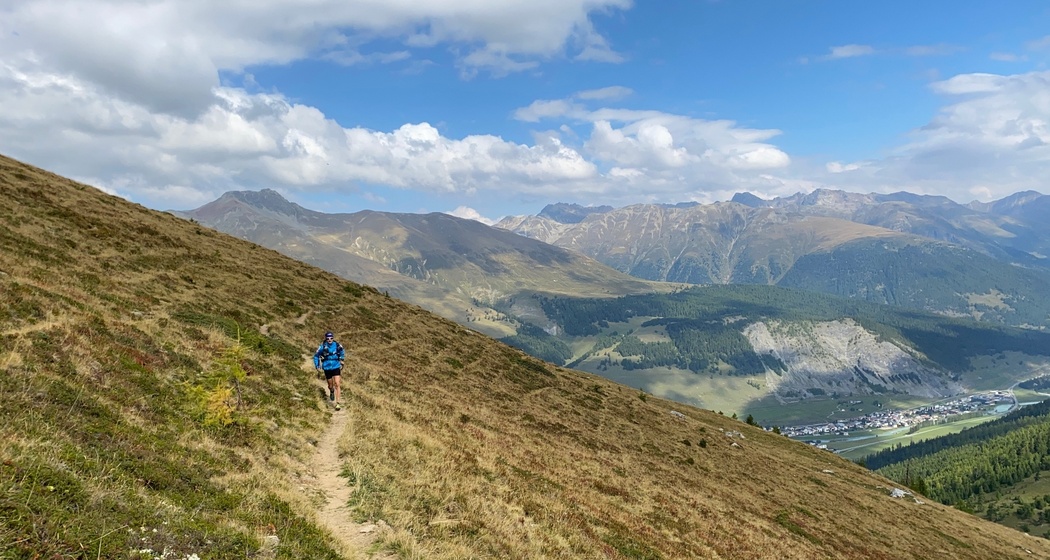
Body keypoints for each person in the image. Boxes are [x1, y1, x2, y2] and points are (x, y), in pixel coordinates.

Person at [313, 331, 345, 410]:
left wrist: (341, 359)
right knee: (330, 385)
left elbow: (342, 352)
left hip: (336, 366)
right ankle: (331, 391)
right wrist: (317, 365)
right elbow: (316, 356)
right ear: (326, 339)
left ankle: (337, 403)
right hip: (327, 367)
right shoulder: (322, 347)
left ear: (333, 338)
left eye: (331, 338)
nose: (330, 340)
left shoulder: (337, 345)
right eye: (328, 338)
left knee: (337, 384)